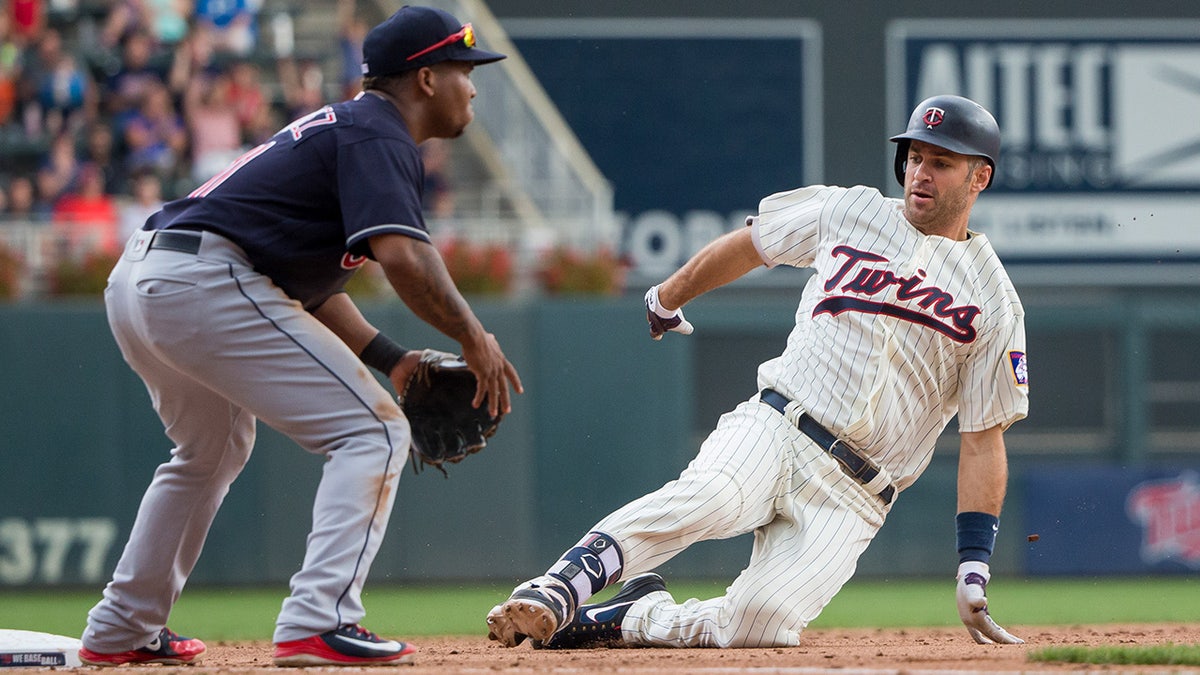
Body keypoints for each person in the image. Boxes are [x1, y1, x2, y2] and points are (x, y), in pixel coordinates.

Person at [487, 94, 1029, 650]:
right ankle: (558, 586)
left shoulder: (996, 301)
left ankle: (634, 617)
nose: (921, 172)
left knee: (761, 624)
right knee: (711, 497)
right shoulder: (851, 212)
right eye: (915, 156)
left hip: (858, 495)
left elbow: (984, 441)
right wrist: (668, 296)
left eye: (941, 162)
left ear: (979, 177)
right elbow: (753, 245)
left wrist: (973, 567)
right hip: (779, 427)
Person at [80, 5, 519, 668]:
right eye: (463, 69)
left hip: (149, 276)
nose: (474, 85)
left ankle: (121, 627)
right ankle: (319, 618)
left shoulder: (351, 127)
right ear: (426, 78)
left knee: (212, 449)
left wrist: (392, 360)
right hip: (202, 280)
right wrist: (474, 335)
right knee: (372, 432)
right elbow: (404, 259)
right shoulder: (380, 132)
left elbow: (308, 288)